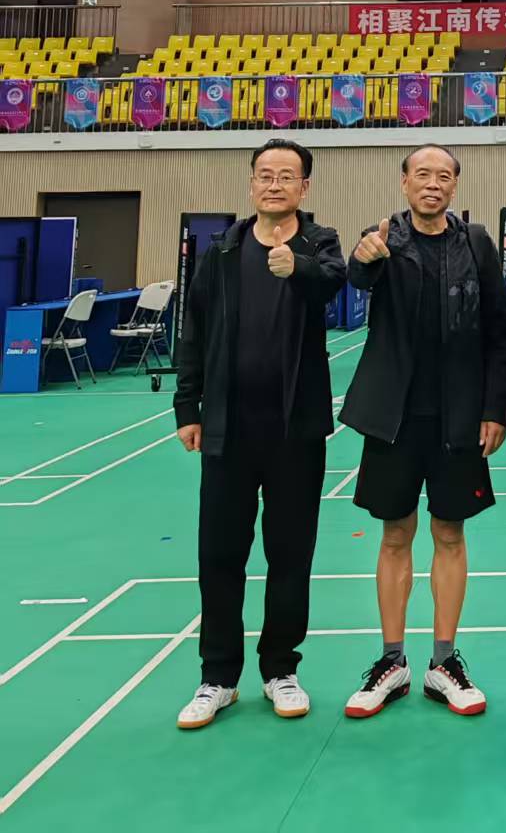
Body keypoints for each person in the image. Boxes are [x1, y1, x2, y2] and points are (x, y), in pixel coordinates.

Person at [339, 144, 506, 720]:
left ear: (454, 187)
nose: (433, 184)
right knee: (395, 534)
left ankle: (445, 662)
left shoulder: (477, 245)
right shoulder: (383, 239)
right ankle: (392, 662)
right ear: (404, 182)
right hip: (393, 416)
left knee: (450, 534)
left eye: (444, 176)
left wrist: (495, 408)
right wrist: (365, 257)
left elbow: (503, 329)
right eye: (423, 174)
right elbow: (358, 275)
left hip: (458, 416)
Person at [173, 138, 346, 730]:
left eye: (286, 176)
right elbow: (194, 329)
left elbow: (332, 282)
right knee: (220, 554)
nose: (275, 184)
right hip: (227, 428)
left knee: (290, 554)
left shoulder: (319, 244)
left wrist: (295, 266)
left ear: (304, 187)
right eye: (265, 175)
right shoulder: (222, 250)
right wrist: (187, 405)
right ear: (252, 184)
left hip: (296, 430)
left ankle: (280, 670)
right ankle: (218, 676)